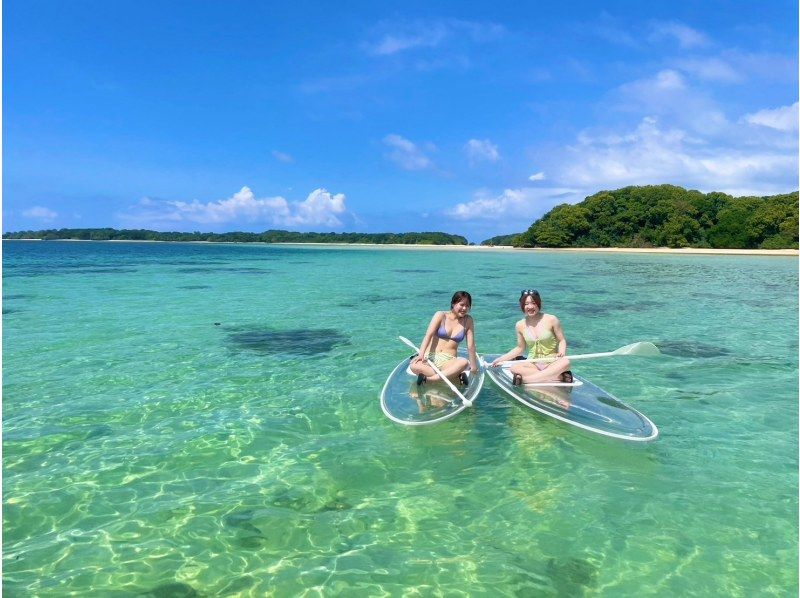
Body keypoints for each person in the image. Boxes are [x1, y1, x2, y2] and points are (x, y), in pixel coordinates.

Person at [490, 289, 573, 386]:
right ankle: (558, 377)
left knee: (565, 362)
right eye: (526, 304)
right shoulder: (520, 325)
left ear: (538, 303)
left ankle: (526, 380)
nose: (530, 307)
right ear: (522, 306)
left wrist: (561, 352)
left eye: (533, 303)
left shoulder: (551, 319)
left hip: (552, 362)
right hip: (532, 363)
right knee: (514, 368)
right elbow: (520, 348)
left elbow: (561, 340)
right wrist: (501, 359)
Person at [410, 291, 478, 387]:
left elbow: (470, 345)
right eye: (461, 304)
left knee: (464, 362)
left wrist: (474, 368)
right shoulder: (440, 315)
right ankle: (454, 375)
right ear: (453, 303)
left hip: (449, 360)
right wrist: (421, 355)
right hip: (430, 357)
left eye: (467, 306)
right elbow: (428, 335)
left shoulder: (468, 320)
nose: (464, 308)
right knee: (413, 366)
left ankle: (430, 379)